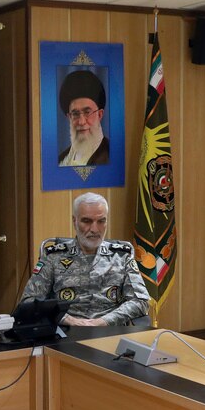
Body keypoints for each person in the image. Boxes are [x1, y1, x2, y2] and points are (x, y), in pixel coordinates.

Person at [20, 192, 150, 326]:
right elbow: (29, 301)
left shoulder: (122, 256)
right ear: (74, 221)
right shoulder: (54, 256)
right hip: (66, 332)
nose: (94, 229)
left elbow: (140, 302)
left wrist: (104, 321)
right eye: (87, 221)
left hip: (110, 332)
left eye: (101, 221)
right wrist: (67, 320)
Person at [57, 69, 110, 167]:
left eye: (87, 112)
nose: (81, 122)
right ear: (69, 117)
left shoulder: (110, 155)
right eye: (75, 114)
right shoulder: (61, 160)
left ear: (100, 114)